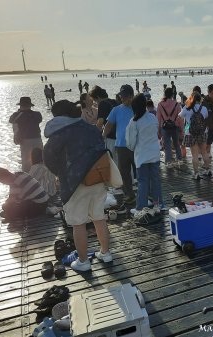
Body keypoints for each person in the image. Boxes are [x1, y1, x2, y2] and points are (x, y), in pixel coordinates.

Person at [44, 100, 112, 272]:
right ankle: (105, 252)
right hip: (97, 177)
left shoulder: (59, 133)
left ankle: (83, 261)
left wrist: (61, 173)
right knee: (99, 217)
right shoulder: (90, 127)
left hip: (75, 183)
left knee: (78, 223)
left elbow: (48, 159)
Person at [126, 94, 165, 216]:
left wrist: (132, 147)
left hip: (142, 156)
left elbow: (130, 143)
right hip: (154, 154)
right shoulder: (152, 118)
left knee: (143, 181)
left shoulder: (134, 121)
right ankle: (158, 204)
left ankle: (140, 207)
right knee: (155, 180)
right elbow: (156, 133)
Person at [103, 85, 136, 205]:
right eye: (121, 96)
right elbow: (108, 125)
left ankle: (144, 194)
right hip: (121, 146)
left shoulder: (138, 109)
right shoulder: (116, 110)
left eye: (126, 96)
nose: (123, 99)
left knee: (140, 171)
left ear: (132, 96)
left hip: (136, 146)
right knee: (124, 172)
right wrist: (103, 136)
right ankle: (129, 195)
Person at [179, 91, 210, 179]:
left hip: (191, 133)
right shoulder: (203, 108)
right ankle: (207, 170)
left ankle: (196, 174)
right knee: (204, 152)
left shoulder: (187, 108)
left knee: (195, 155)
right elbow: (206, 117)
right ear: (200, 99)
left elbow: (179, 116)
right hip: (203, 132)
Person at [9, 97, 43, 172]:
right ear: (30, 105)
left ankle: (28, 178)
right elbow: (39, 119)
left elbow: (11, 120)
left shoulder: (17, 115)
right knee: (40, 160)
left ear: (20, 105)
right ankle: (42, 177)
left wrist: (20, 111)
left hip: (25, 141)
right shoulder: (37, 114)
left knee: (26, 162)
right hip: (37, 139)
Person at [91, 86, 119, 165]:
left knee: (112, 161)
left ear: (98, 97)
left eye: (94, 100)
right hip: (120, 136)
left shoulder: (102, 104)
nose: (95, 103)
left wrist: (95, 133)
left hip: (111, 136)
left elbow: (100, 122)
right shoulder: (115, 101)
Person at [157, 87, 182, 167]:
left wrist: (159, 130)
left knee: (167, 145)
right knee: (177, 144)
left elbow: (158, 118)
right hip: (175, 126)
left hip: (164, 127)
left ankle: (168, 162)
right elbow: (180, 118)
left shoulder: (160, 104)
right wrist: (181, 128)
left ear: (165, 94)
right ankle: (179, 160)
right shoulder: (176, 104)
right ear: (172, 95)